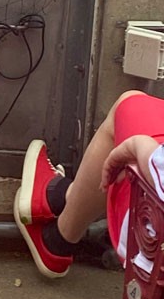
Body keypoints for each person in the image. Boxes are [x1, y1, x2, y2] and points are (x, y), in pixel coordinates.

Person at [14, 90, 164, 277]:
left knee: (130, 104)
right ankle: (62, 198)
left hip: (151, 243)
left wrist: (140, 147)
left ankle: (58, 237)